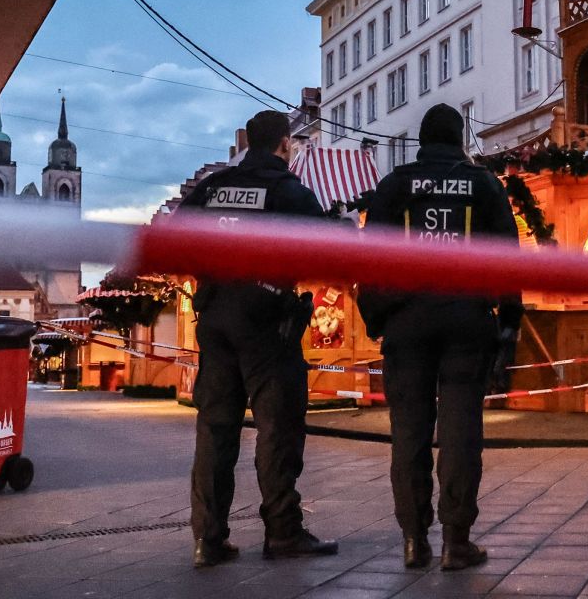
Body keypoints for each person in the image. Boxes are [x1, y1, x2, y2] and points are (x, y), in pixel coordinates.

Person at [358, 104, 522, 570]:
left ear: (422, 139)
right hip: (466, 318)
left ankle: (414, 540)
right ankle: (456, 540)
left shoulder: (395, 186)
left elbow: (369, 259)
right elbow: (507, 255)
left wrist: (378, 319)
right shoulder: (483, 184)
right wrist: (508, 319)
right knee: (461, 433)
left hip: (407, 321)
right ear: (459, 137)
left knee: (408, 432)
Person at [177, 110, 337, 567]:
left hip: (217, 316)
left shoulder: (212, 188)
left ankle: (208, 538)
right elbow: (327, 247)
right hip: (267, 322)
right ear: (285, 145)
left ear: (248, 142)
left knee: (215, 428)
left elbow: (175, 233)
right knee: (278, 428)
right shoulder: (290, 192)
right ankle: (282, 532)